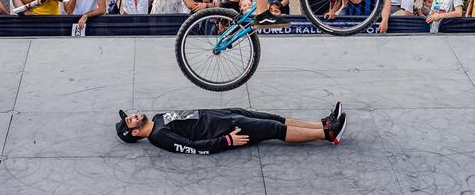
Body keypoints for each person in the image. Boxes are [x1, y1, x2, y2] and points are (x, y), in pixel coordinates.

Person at [115, 103, 347, 152]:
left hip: (225, 114)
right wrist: (227, 141)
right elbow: (193, 147)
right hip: (227, 129)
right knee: (274, 129)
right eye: (131, 120)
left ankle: (323, 123)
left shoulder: (157, 117)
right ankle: (327, 134)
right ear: (135, 132)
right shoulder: (159, 136)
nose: (134, 115)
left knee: (274, 117)